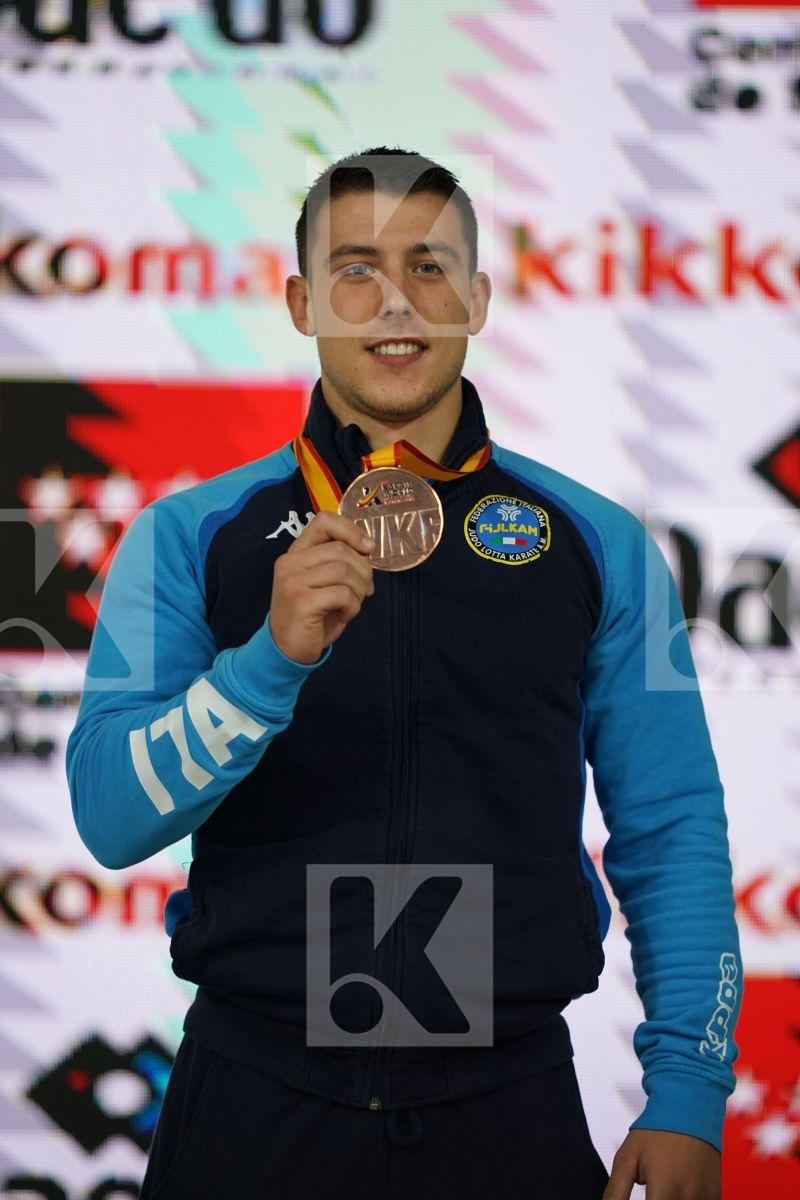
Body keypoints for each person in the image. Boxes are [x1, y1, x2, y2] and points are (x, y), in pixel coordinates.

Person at [66, 148, 742, 1200]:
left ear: (474, 297)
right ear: (300, 303)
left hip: (505, 1101)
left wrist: (688, 1090)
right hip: (251, 1100)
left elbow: (669, 825)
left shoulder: (596, 542)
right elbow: (109, 816)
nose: (394, 300)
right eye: (354, 269)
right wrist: (265, 667)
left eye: (427, 267)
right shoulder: (189, 536)